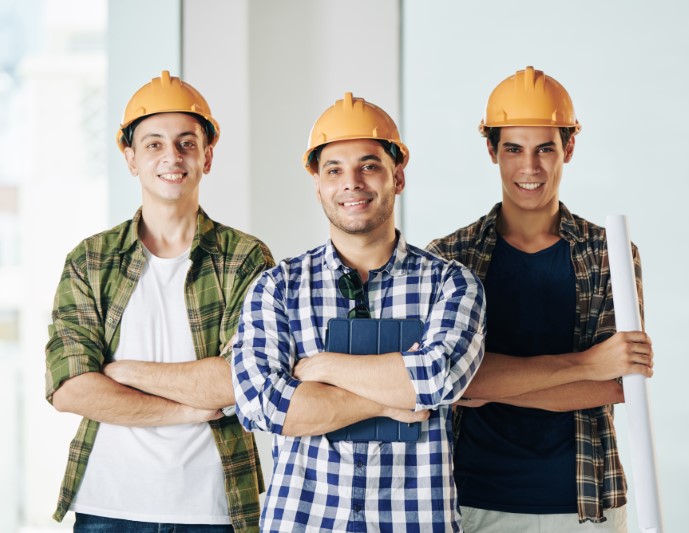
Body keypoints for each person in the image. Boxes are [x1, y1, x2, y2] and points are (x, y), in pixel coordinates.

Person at [232, 92, 486, 532]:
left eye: (369, 165)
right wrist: (392, 402)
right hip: (303, 520)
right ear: (318, 184)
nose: (352, 182)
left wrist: (322, 368)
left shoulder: (450, 283)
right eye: (334, 170)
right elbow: (267, 407)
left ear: (397, 177)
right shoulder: (277, 287)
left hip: (415, 520)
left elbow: (437, 377)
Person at [427, 66, 654, 532]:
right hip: (471, 502)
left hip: (587, 504)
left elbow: (615, 385)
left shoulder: (607, 253)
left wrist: (488, 382)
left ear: (568, 147)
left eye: (545, 148)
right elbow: (449, 384)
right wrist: (587, 363)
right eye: (513, 149)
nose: (530, 168)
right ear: (492, 150)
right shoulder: (449, 258)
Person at [45, 71, 273, 532]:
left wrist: (122, 371)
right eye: (153, 144)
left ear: (207, 156)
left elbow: (238, 383)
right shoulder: (90, 260)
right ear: (129, 157)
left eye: (187, 143)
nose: (172, 156)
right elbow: (69, 388)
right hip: (108, 508)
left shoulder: (245, 258)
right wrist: (186, 409)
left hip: (215, 508)